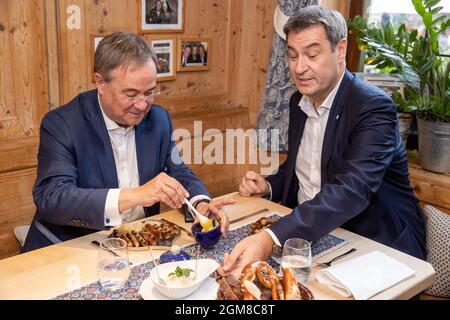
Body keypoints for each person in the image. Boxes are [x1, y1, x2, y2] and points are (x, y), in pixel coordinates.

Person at [220, 6, 426, 277]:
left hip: (374, 246)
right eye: (292, 55)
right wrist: (270, 185)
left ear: (340, 50)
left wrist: (272, 237)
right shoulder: (297, 101)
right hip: (313, 238)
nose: (299, 67)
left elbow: (351, 189)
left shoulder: (373, 107)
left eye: (312, 54)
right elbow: (303, 167)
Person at [22, 32, 233, 252]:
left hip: (139, 247)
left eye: (150, 92)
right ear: (100, 83)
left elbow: (178, 172)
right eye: (131, 94)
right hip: (70, 249)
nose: (142, 105)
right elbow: (53, 198)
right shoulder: (62, 124)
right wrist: (136, 195)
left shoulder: (158, 119)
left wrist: (200, 204)